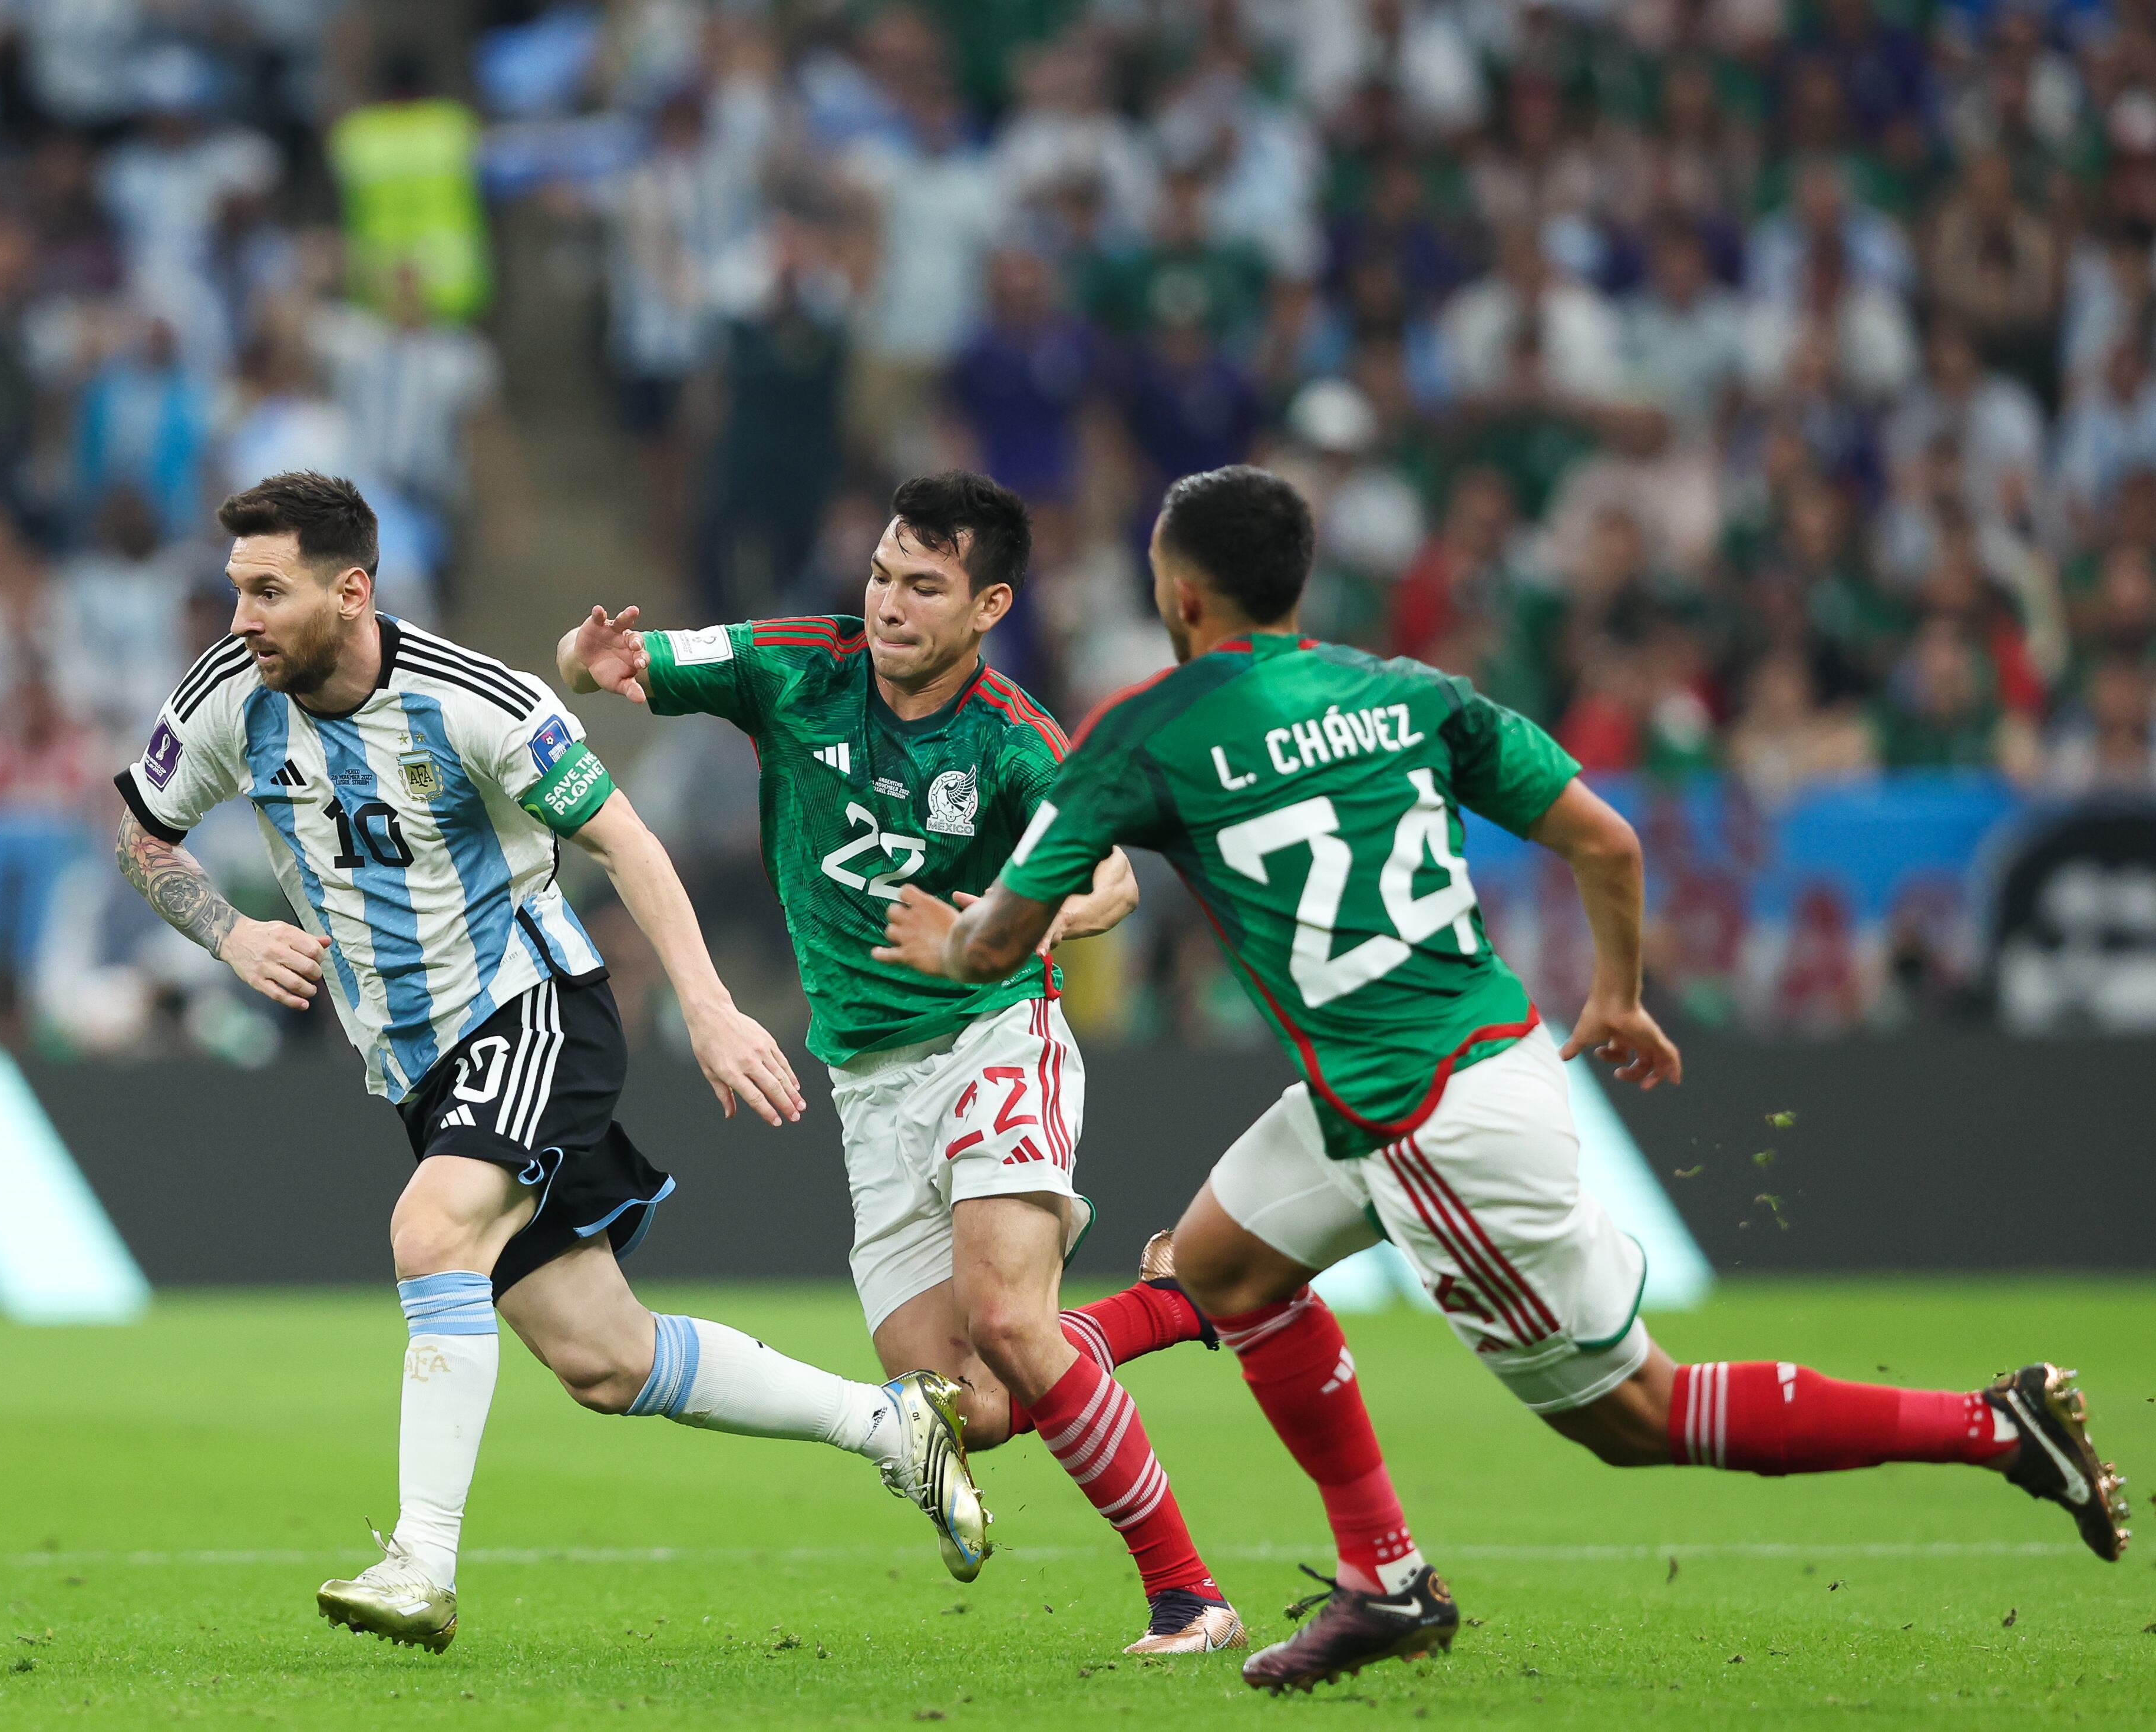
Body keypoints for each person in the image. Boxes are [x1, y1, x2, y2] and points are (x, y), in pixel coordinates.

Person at [878, 464, 2132, 1694]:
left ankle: (1989, 1427)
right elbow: (1607, 839)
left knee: (1634, 1417)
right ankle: (1385, 1581)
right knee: (1220, 1267)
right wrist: (1618, 993)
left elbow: (994, 936)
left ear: (1178, 592)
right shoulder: (1410, 694)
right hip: (1415, 1075)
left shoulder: (1147, 727)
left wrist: (952, 943)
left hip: (1425, 1120)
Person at [111, 471, 988, 1654]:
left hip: (530, 1011)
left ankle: (419, 1562)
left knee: (430, 1235)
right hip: (418, 1067)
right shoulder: (231, 695)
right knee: (604, 1361)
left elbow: (623, 839)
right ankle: (891, 1431)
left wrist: (712, 1008)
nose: (240, 619)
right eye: (236, 591)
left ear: (351, 591)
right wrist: (231, 931)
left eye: (267, 592)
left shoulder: (475, 701)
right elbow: (142, 834)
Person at [559, 471, 1251, 1655]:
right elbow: (608, 671)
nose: (887, 603)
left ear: (985, 607)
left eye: (922, 586)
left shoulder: (1013, 739)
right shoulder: (792, 667)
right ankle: (1170, 1305)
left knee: (1002, 1312)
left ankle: (1185, 1595)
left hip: (991, 1035)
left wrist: (1006, 922)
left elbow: (1115, 879)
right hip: (866, 1084)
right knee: (971, 1406)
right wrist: (585, 659)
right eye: (882, 575)